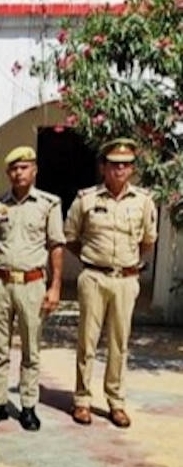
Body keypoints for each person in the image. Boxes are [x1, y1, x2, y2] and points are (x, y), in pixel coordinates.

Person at [64, 138, 158, 428]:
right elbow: (71, 237)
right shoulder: (86, 199)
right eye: (114, 164)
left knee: (119, 343)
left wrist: (127, 263)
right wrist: (94, 260)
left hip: (125, 280)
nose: (120, 170)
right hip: (94, 277)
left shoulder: (143, 201)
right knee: (87, 341)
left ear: (132, 169)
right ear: (103, 167)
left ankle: (116, 402)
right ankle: (82, 400)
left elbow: (148, 241)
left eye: (126, 165)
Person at [0, 146, 65, 431]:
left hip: (32, 284)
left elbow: (56, 246)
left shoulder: (48, 204)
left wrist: (55, 287)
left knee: (31, 349)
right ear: (8, 173)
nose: (19, 173)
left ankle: (28, 406)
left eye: (24, 167)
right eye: (14, 169)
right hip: (0, 283)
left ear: (34, 170)